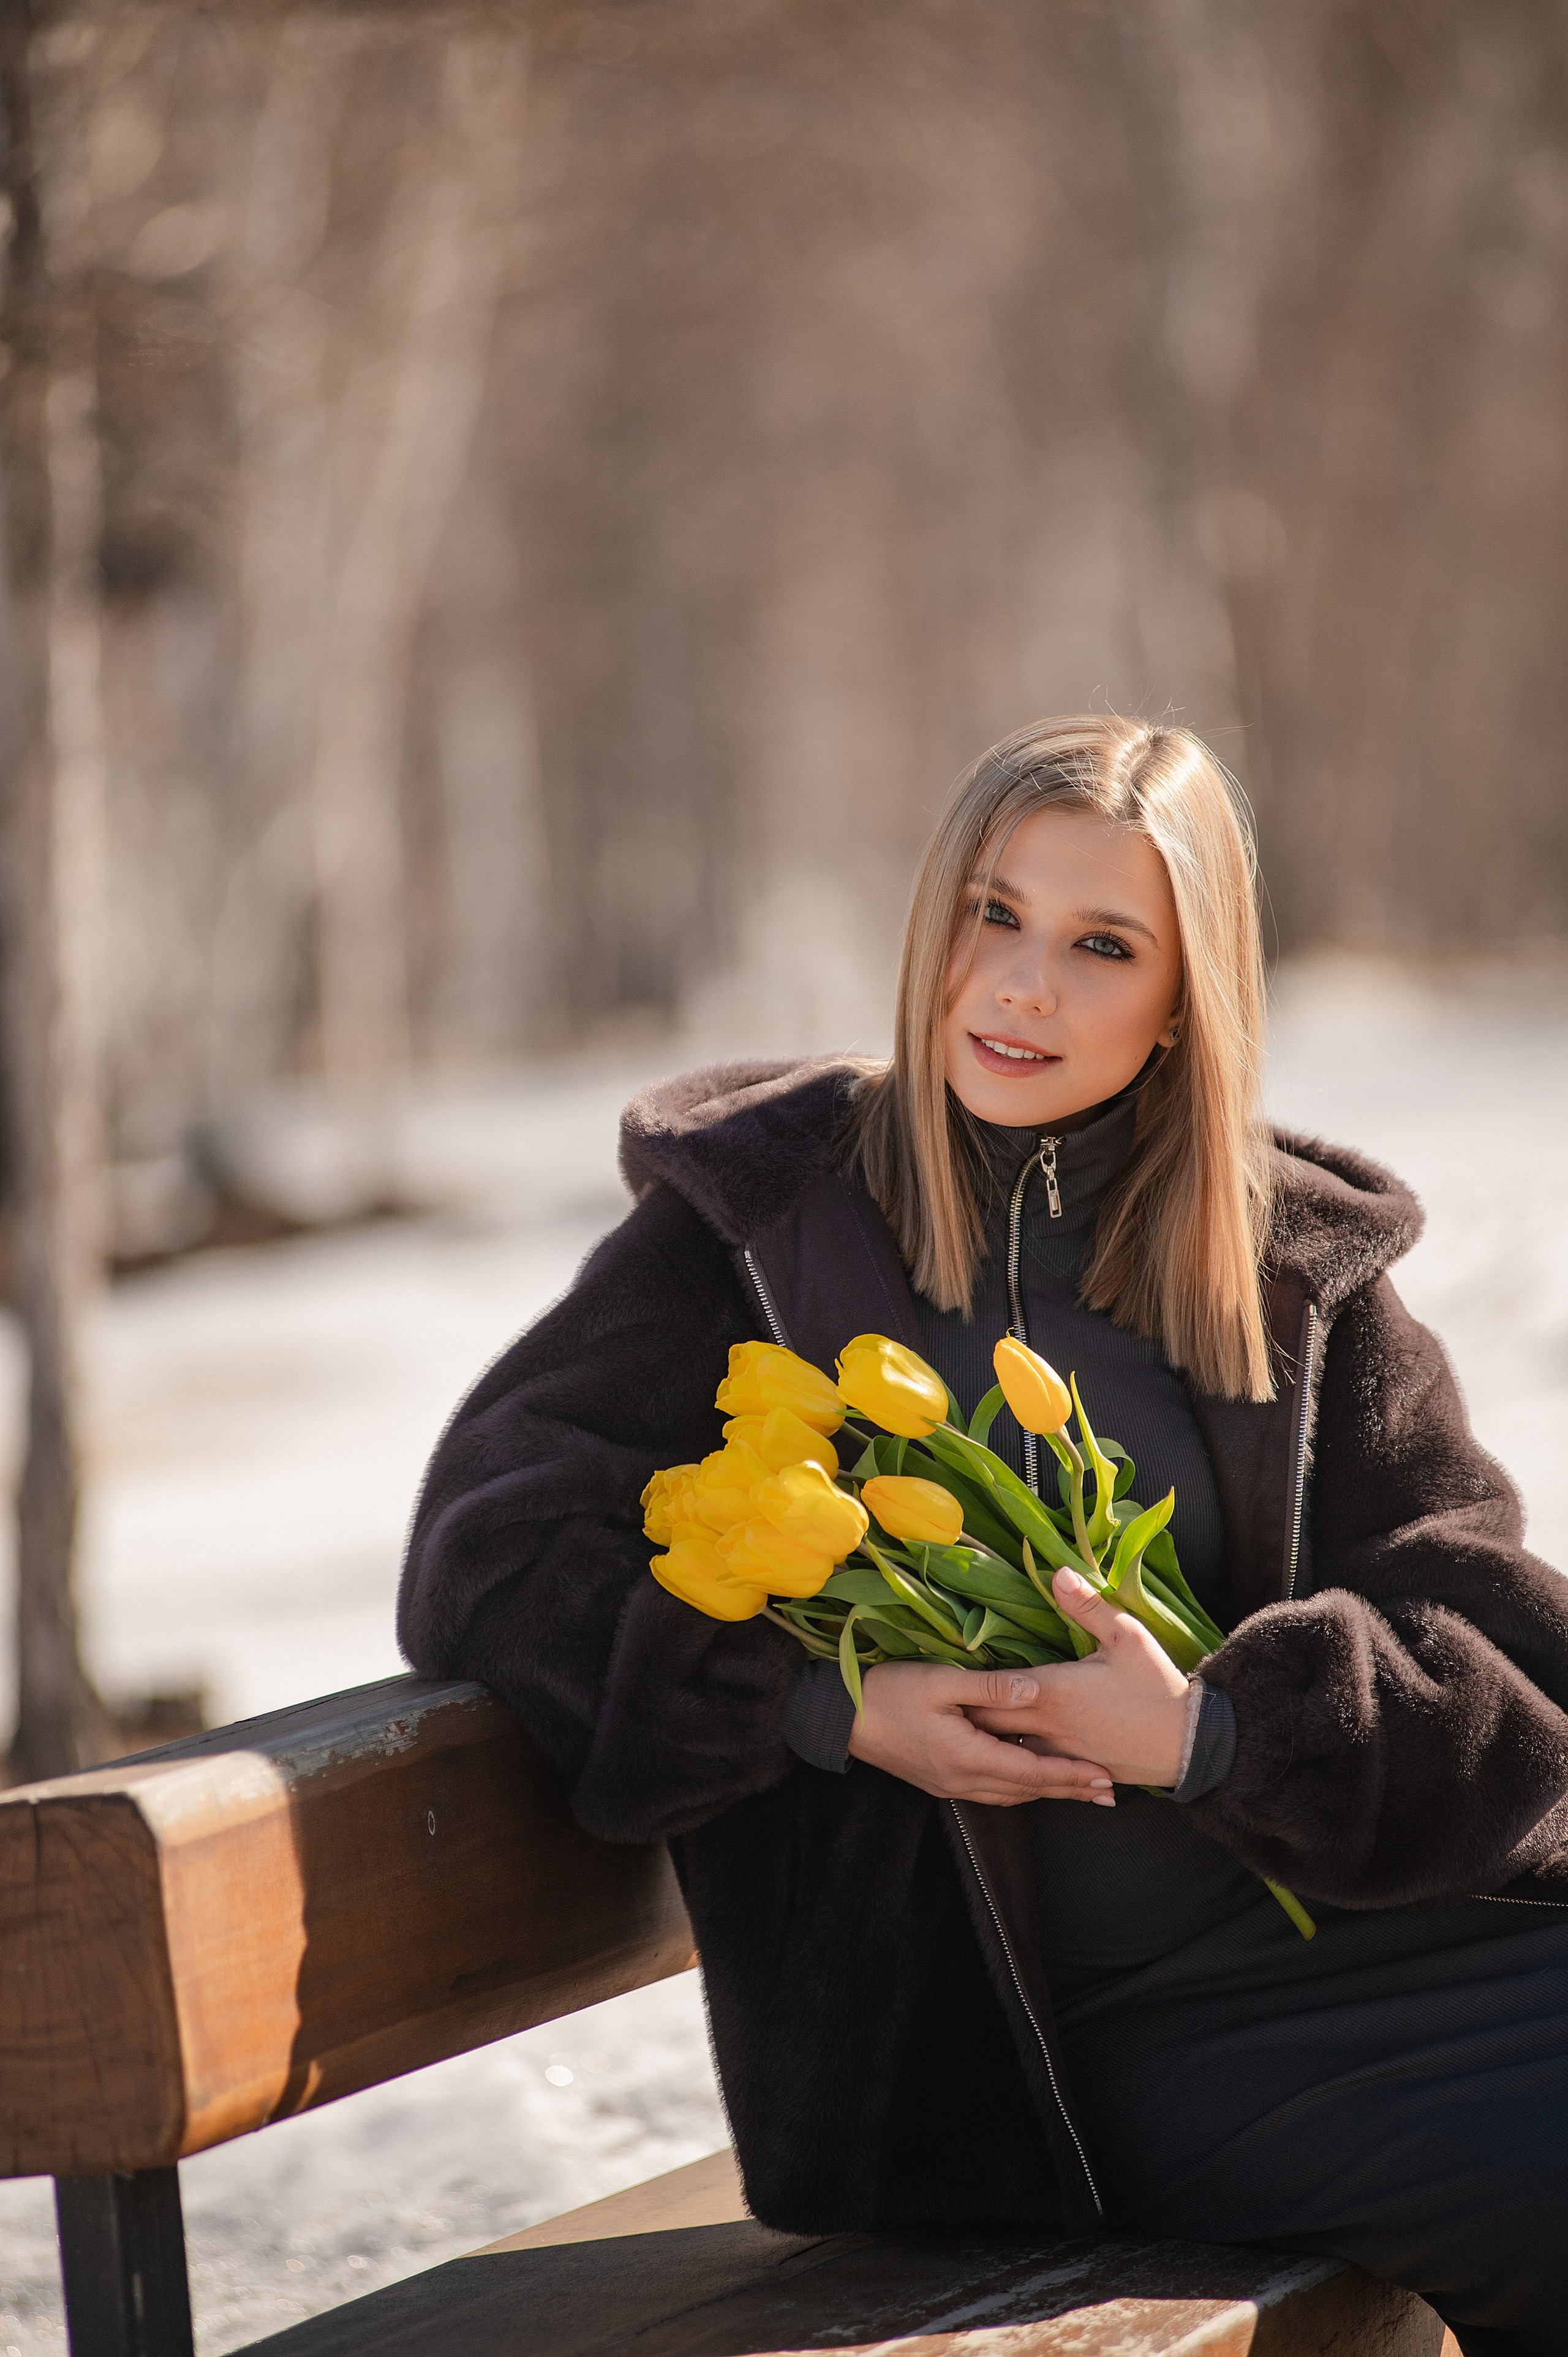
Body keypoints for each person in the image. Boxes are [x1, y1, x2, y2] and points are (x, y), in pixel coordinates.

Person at [398, 715, 1568, 2357]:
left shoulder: (1285, 1268)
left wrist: (1214, 1736)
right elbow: (494, 1557)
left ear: (1185, 1001)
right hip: (1029, 2068)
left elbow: (1507, 1658)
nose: (1023, 984)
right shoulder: (770, 1226)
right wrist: (827, 1707)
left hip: (1379, 1953)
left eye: (1102, 947)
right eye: (991, 914)